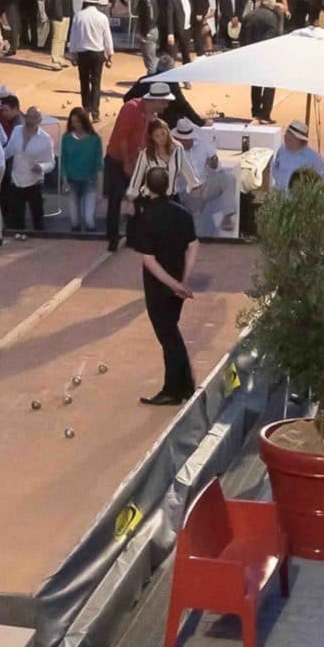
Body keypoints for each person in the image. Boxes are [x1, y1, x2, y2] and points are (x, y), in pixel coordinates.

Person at [129, 165, 200, 406]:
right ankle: (183, 386)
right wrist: (183, 281)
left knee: (168, 336)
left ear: (148, 187)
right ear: (168, 185)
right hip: (177, 283)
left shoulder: (145, 217)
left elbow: (149, 260)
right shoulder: (183, 213)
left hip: (159, 287)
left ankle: (175, 389)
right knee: (171, 332)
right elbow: (193, 245)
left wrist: (173, 284)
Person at [103, 83, 172, 252]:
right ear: (156, 99)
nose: (166, 106)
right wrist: (127, 162)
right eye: (164, 102)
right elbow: (122, 138)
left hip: (135, 160)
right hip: (116, 160)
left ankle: (134, 236)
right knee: (116, 198)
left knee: (142, 198)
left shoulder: (152, 116)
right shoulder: (131, 108)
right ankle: (112, 238)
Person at [170, 116, 237, 235]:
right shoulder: (171, 151)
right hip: (187, 192)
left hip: (205, 184)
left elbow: (215, 164)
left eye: (188, 139)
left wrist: (214, 163)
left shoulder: (202, 143)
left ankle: (228, 216)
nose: (185, 142)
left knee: (228, 178)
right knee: (197, 228)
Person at [2, 105, 53, 234]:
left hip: (34, 183)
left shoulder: (46, 139)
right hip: (16, 180)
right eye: (28, 117)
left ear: (39, 120)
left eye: (33, 118)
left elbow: (51, 163)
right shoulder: (17, 131)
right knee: (16, 219)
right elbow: (8, 151)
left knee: (37, 218)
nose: (30, 120)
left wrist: (41, 167)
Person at [238, 0, 284, 122]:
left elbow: (241, 37)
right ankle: (265, 115)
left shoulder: (248, 16)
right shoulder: (273, 17)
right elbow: (273, 36)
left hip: (251, 54)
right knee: (270, 83)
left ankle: (256, 111)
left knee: (256, 83)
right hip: (266, 54)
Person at [69, 0, 115, 120]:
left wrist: (72, 53)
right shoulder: (102, 17)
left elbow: (73, 36)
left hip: (83, 53)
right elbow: (107, 37)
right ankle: (95, 112)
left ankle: (86, 109)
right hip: (97, 54)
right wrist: (109, 54)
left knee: (84, 82)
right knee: (96, 82)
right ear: (97, 4)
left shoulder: (79, 16)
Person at [61, 108, 103, 232]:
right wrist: (64, 181)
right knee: (74, 221)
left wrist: (100, 191)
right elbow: (64, 161)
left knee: (89, 220)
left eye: (78, 122)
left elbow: (99, 166)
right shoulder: (67, 138)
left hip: (89, 182)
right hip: (72, 181)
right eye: (73, 122)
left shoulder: (95, 140)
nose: (76, 125)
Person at [269, 120, 324, 191]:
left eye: (291, 137)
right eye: (286, 134)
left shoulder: (313, 158)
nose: (286, 138)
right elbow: (275, 170)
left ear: (300, 140)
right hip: (281, 198)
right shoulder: (282, 150)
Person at [42, 0, 75, 69]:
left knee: (63, 38)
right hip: (57, 15)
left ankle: (61, 57)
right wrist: (51, 14)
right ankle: (55, 59)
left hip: (66, 14)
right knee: (57, 38)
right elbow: (48, 0)